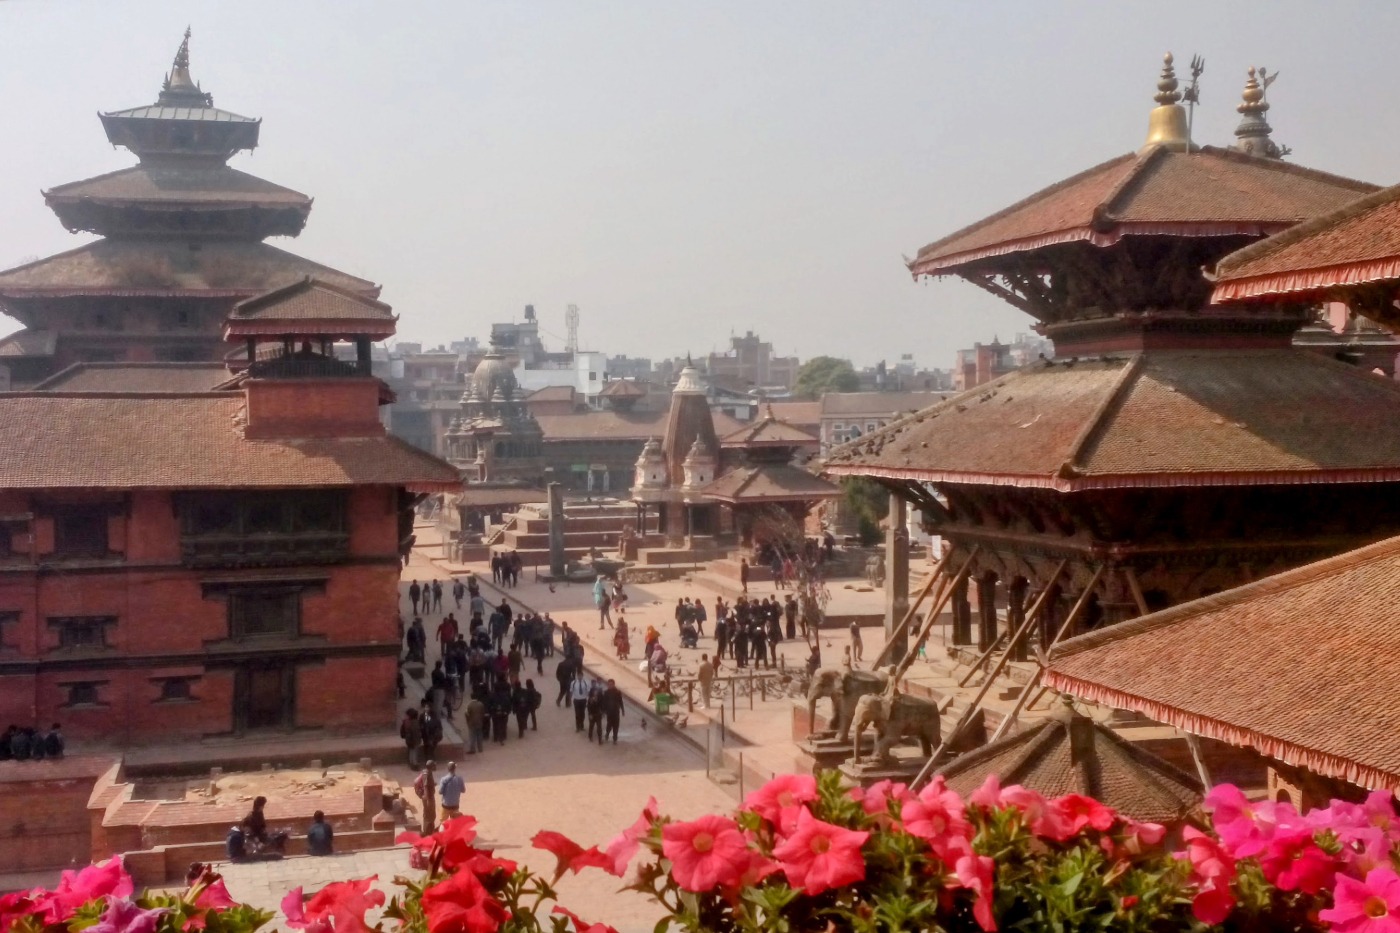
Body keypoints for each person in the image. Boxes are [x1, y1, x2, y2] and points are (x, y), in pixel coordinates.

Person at [415, 761, 437, 834]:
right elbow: (426, 786)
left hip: (428, 797)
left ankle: (429, 830)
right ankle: (428, 832)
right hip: (428, 798)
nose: (435, 767)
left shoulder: (425, 772)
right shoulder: (427, 774)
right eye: (434, 765)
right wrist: (427, 798)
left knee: (429, 814)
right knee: (429, 815)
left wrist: (433, 784)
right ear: (431, 767)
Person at [600, 679, 625, 743]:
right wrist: (603, 711)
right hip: (609, 712)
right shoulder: (606, 693)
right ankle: (607, 734)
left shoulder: (618, 692)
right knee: (609, 725)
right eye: (609, 685)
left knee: (616, 726)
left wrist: (622, 710)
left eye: (611, 684)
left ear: (614, 685)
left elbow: (620, 701)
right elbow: (604, 702)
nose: (610, 686)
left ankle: (615, 739)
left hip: (616, 711)